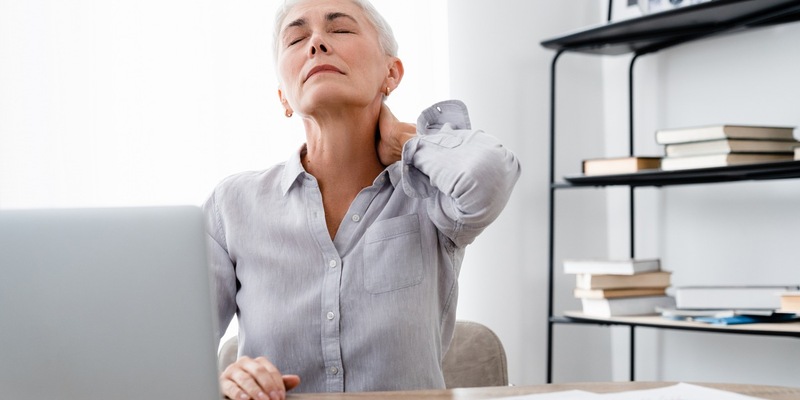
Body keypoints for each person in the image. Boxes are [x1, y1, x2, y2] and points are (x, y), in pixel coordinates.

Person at [202, 0, 521, 398]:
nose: (316, 43)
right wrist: (222, 384)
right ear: (284, 97)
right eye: (297, 37)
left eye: (341, 30)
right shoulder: (231, 207)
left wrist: (405, 141)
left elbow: (488, 174)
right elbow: (172, 356)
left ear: (392, 72)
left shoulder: (429, 193)